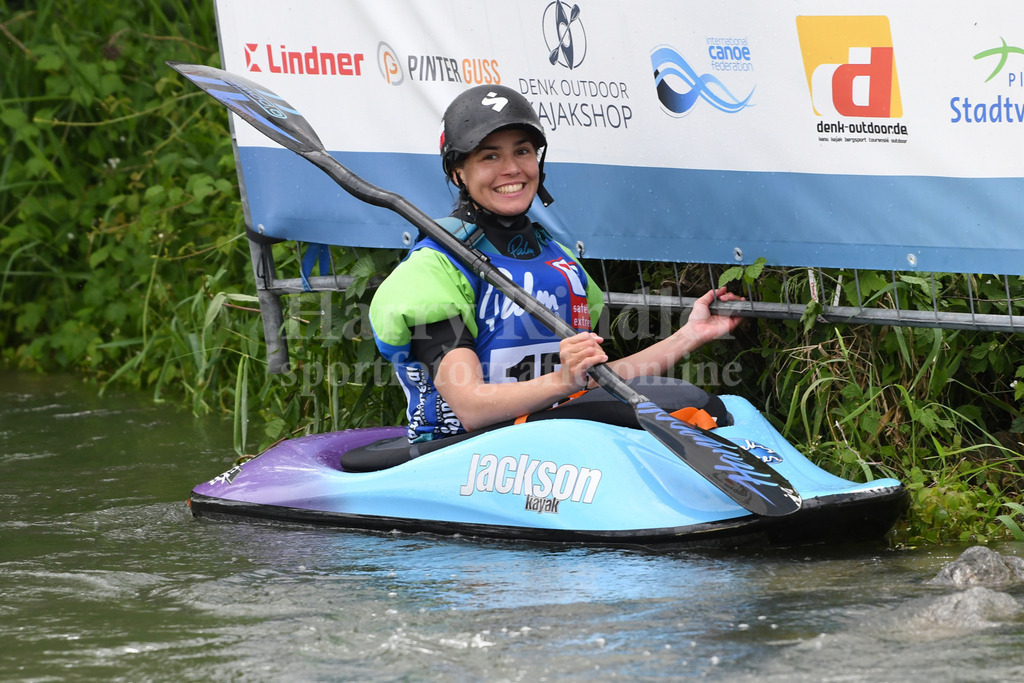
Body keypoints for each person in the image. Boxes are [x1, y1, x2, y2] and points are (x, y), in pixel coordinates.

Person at [369, 84, 743, 444]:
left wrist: (690, 335)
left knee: (704, 405)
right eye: (489, 156)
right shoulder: (435, 271)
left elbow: (594, 382)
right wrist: (565, 380)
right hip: (461, 456)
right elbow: (470, 408)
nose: (512, 168)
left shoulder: (563, 266)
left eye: (523, 151)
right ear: (457, 172)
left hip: (552, 443)